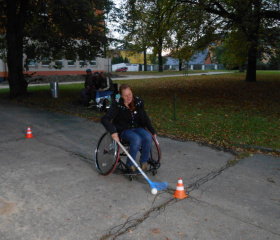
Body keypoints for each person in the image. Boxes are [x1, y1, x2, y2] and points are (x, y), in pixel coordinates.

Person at [101, 84, 156, 172]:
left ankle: (144, 162)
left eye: (130, 94)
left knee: (148, 137)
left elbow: (145, 117)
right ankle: (130, 164)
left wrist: (152, 131)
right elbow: (105, 119)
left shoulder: (138, 102)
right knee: (136, 139)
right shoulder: (117, 104)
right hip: (124, 129)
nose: (129, 97)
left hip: (137, 127)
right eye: (125, 96)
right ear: (121, 96)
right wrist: (112, 131)